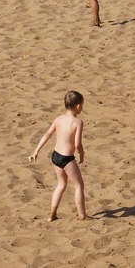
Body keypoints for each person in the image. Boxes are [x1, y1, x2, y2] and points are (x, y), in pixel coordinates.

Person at [28, 90, 87, 221]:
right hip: (67, 159)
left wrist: (36, 151)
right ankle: (82, 215)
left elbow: (47, 134)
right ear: (78, 106)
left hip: (55, 156)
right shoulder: (78, 123)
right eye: (82, 105)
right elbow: (77, 144)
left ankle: (52, 214)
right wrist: (82, 155)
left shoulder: (59, 119)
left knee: (61, 185)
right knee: (79, 186)